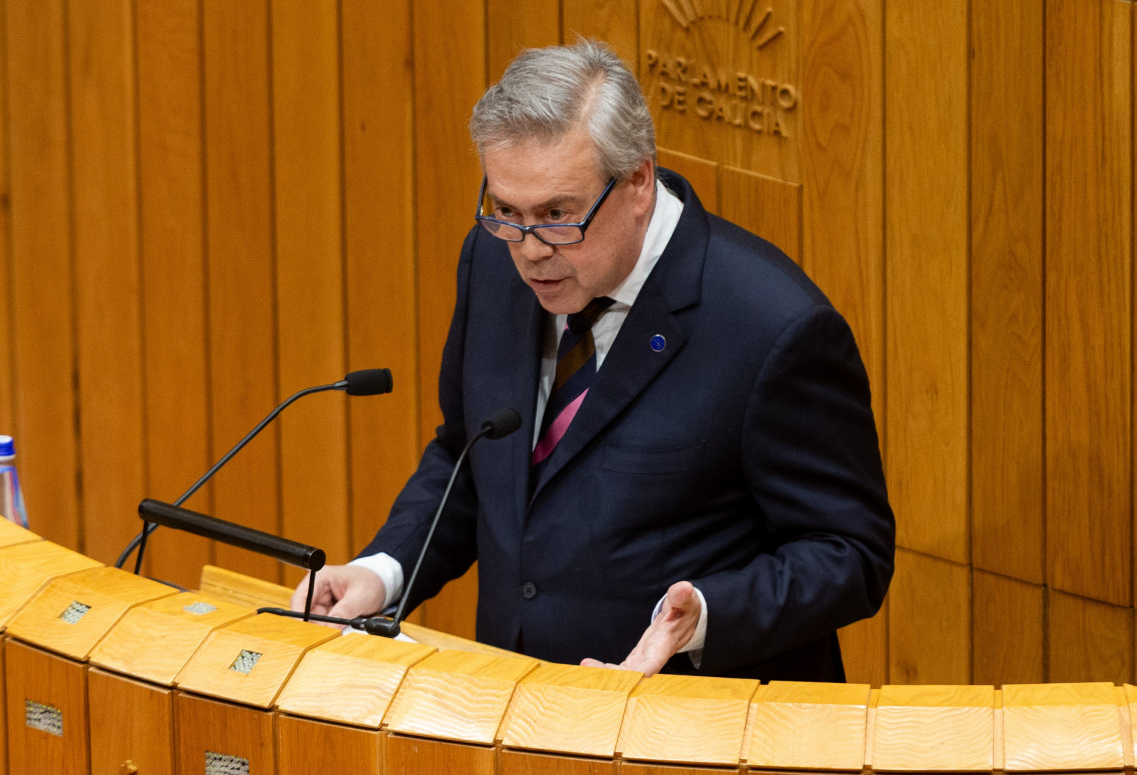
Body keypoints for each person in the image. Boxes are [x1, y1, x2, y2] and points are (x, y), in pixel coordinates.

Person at [291, 40, 894, 681]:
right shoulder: (492, 262)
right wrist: (384, 571)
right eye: (506, 212)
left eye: (557, 215)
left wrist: (709, 616)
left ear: (637, 181)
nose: (528, 250)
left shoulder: (773, 326)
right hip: (515, 711)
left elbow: (850, 553)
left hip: (689, 731)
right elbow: (471, 455)